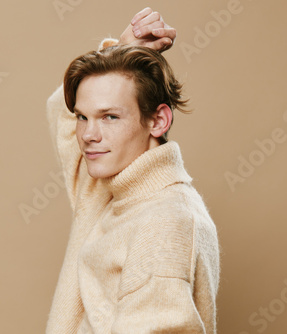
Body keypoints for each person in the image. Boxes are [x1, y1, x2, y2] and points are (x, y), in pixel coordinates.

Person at [45, 7, 220, 333]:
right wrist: (119, 50)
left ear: (158, 120)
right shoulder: (108, 187)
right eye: (84, 117)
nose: (88, 135)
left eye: (110, 116)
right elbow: (61, 113)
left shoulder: (165, 222)